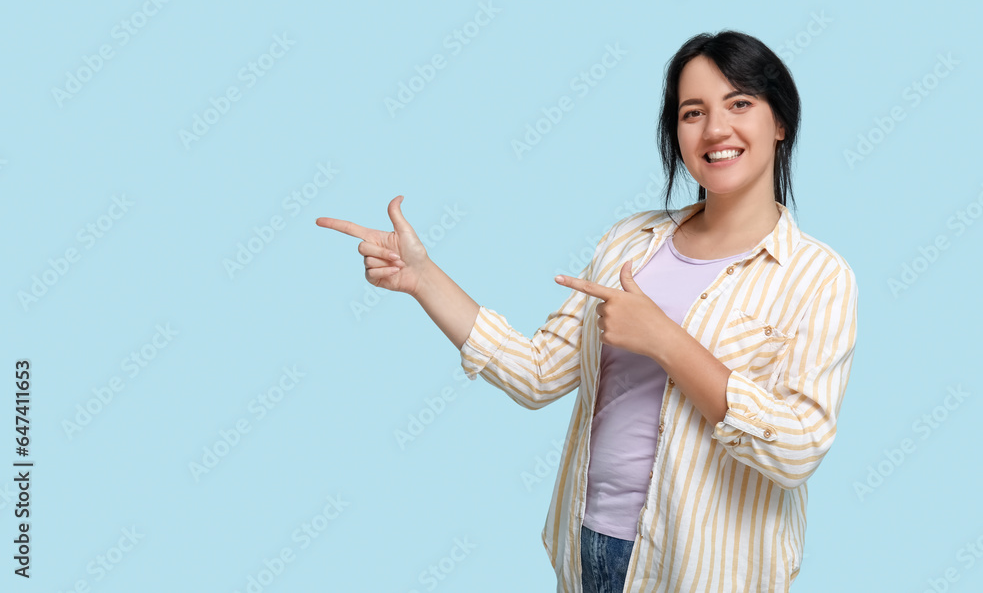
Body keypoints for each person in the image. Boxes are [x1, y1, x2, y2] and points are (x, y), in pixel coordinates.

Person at [316, 30, 859, 593]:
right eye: (692, 112)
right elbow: (536, 373)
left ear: (780, 122)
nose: (716, 129)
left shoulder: (817, 278)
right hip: (591, 546)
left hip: (708, 568)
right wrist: (423, 278)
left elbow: (796, 449)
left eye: (740, 103)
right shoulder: (632, 242)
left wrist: (665, 341)